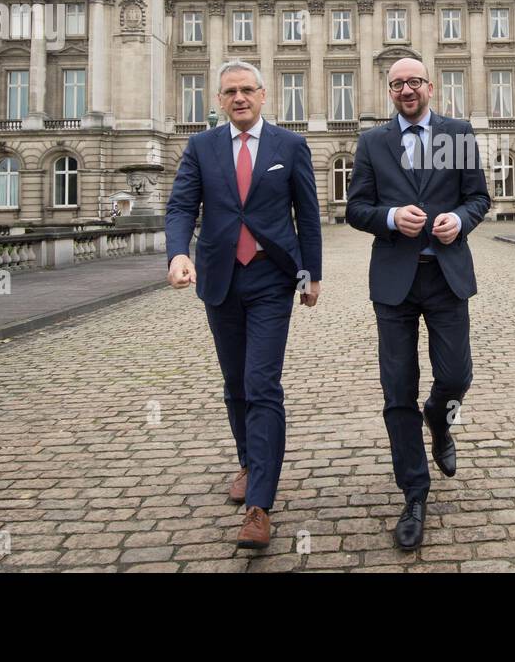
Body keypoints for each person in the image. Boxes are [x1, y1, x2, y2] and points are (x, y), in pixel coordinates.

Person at [165, 59, 322, 550]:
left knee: (261, 383)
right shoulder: (201, 146)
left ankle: (259, 505)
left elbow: (308, 215)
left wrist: (311, 275)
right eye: (229, 92)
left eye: (246, 90)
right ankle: (249, 460)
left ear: (263, 94)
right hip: (220, 278)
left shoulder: (290, 146)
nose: (239, 98)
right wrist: (176, 254)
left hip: (272, 278)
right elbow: (181, 207)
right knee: (234, 383)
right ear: (219, 100)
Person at [346, 57, 490, 550]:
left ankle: (439, 420)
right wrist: (388, 218)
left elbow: (479, 198)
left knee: (456, 376)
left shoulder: (459, 133)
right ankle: (414, 493)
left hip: (446, 276)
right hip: (395, 283)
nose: (406, 90)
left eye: (414, 82)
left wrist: (460, 219)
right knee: (396, 389)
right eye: (396, 84)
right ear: (389, 91)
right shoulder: (372, 142)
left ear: (430, 86)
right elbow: (356, 208)